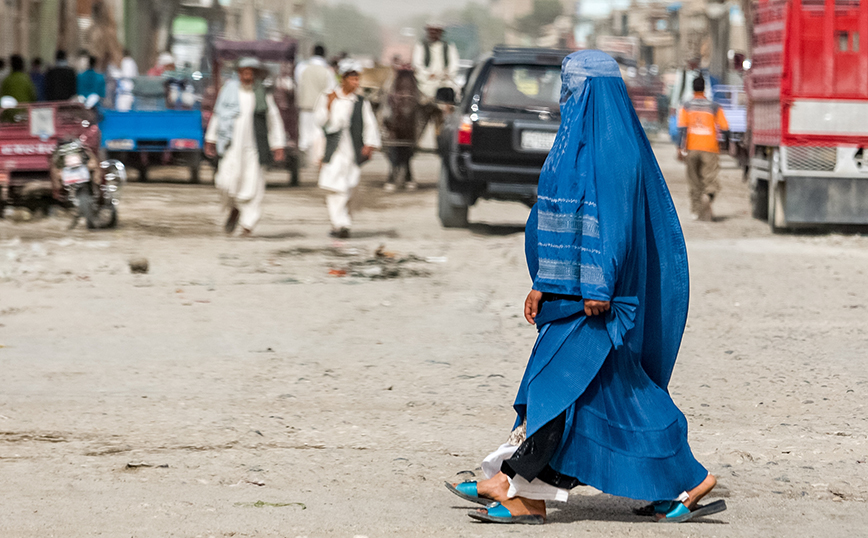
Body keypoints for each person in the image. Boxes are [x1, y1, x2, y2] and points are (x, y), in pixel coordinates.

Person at [445, 51, 726, 525]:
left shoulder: (613, 148)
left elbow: (612, 224)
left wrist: (600, 282)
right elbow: (557, 219)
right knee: (614, 395)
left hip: (597, 298)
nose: (566, 96)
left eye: (573, 87)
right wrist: (541, 283)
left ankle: (520, 486)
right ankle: (680, 479)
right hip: (567, 293)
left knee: (557, 384)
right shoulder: (574, 142)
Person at [204, 58, 286, 236]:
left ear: (255, 75)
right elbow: (218, 115)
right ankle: (235, 209)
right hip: (231, 146)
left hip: (254, 149)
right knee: (224, 182)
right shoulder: (228, 92)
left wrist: (278, 145)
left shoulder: (263, 95)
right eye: (244, 72)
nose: (247, 75)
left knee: (253, 185)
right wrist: (211, 138)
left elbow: (274, 121)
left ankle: (248, 224)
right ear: (239, 73)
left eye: (250, 72)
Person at [314, 59, 380, 239]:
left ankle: (341, 223)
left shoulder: (360, 102)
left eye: (357, 79)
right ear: (343, 79)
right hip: (333, 148)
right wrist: (328, 105)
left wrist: (370, 144)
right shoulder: (328, 97)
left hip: (352, 149)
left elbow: (369, 124)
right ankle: (341, 223)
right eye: (352, 79)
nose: (356, 83)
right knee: (335, 185)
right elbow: (319, 122)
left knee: (349, 184)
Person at [677, 76, 729, 221]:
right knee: (710, 179)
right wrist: (726, 144)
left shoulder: (686, 106)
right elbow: (725, 128)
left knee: (694, 181)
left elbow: (682, 129)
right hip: (710, 148)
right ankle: (708, 195)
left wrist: (679, 148)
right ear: (704, 88)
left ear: (693, 88)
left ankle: (695, 211)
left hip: (692, 148)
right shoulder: (714, 106)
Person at [412, 22, 460, 136]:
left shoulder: (448, 47)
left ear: (440, 33)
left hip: (444, 83)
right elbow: (417, 65)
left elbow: (454, 64)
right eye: (431, 31)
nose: (433, 34)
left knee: (450, 103)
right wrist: (428, 74)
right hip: (425, 84)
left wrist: (446, 73)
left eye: (436, 31)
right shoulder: (421, 46)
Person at [296, 44, 335, 157]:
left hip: (305, 107)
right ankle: (316, 160)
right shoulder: (328, 71)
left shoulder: (302, 68)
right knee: (317, 135)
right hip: (321, 109)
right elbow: (331, 91)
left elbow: (299, 86)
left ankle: (304, 162)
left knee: (304, 136)